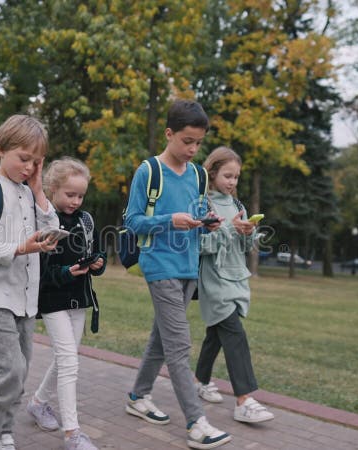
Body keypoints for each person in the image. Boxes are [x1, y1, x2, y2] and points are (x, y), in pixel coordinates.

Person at [123, 99, 232, 449]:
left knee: (162, 337)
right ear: (169, 134)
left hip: (189, 267)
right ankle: (197, 422)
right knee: (179, 346)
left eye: (198, 143)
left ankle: (138, 395)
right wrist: (168, 220)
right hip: (159, 266)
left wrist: (207, 224)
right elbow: (132, 221)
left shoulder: (199, 174)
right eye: (187, 141)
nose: (193, 149)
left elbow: (198, 215)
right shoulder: (149, 172)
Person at [0, 114, 61, 450]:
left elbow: (51, 224)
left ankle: (4, 431)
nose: (29, 167)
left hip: (25, 298)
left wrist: (38, 189)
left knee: (19, 374)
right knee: (8, 369)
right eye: (23, 159)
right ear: (2, 149)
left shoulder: (28, 191)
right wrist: (18, 248)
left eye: (35, 162)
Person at [26, 157, 106, 450]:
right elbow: (39, 268)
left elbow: (99, 251)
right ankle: (73, 434)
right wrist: (64, 272)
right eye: (69, 194)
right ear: (52, 189)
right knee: (70, 362)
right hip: (52, 299)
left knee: (66, 357)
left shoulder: (86, 220)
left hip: (79, 299)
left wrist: (98, 263)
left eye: (80, 195)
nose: (75, 201)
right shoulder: (45, 218)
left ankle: (37, 403)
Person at [193, 146, 275, 424]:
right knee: (234, 333)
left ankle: (199, 380)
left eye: (237, 177)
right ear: (213, 173)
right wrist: (229, 229)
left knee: (216, 332)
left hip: (237, 278)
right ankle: (244, 400)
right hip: (214, 280)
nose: (232, 182)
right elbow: (199, 245)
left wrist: (249, 233)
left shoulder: (238, 206)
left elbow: (244, 246)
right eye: (228, 175)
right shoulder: (203, 206)